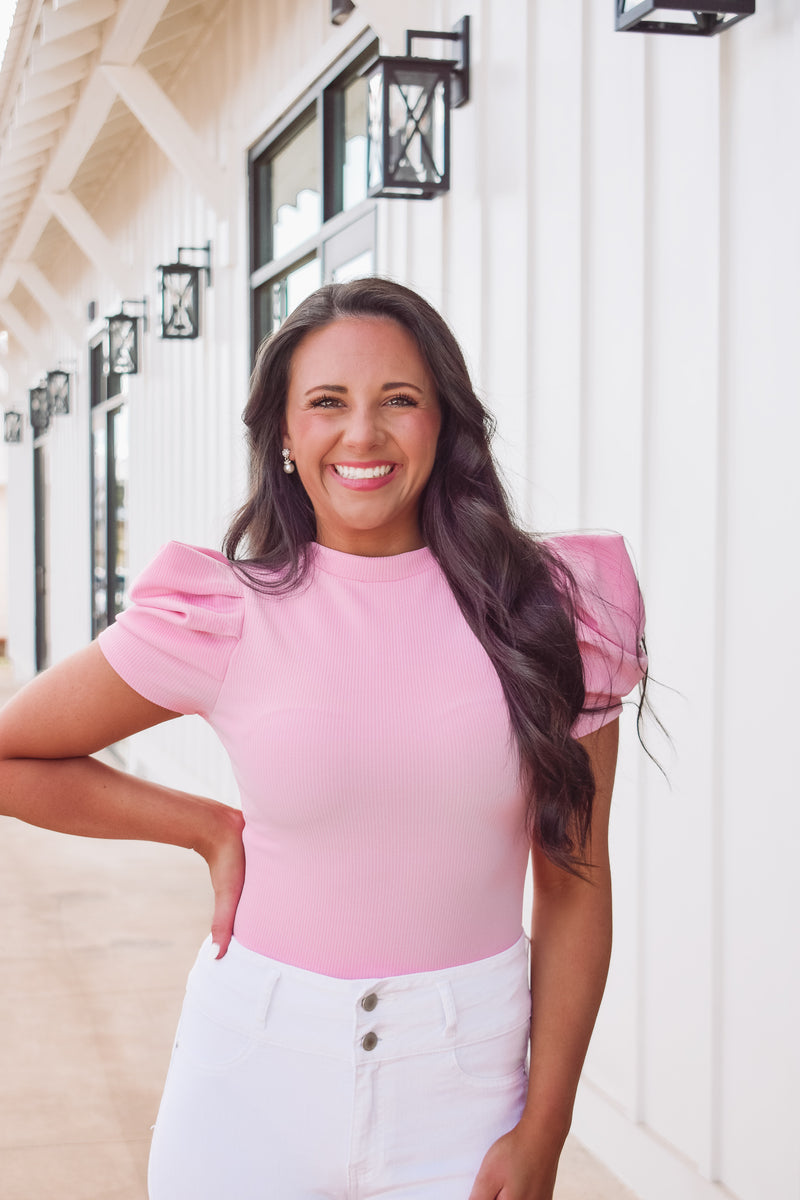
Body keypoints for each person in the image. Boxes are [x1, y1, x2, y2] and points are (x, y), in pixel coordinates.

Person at [0, 278, 646, 1200]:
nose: (363, 436)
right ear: (287, 438)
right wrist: (204, 826)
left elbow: (577, 885)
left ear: (444, 423)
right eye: (327, 404)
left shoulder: (550, 614)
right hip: (251, 1073)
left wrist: (544, 1130)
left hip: (464, 1089)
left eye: (400, 401)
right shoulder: (225, 613)